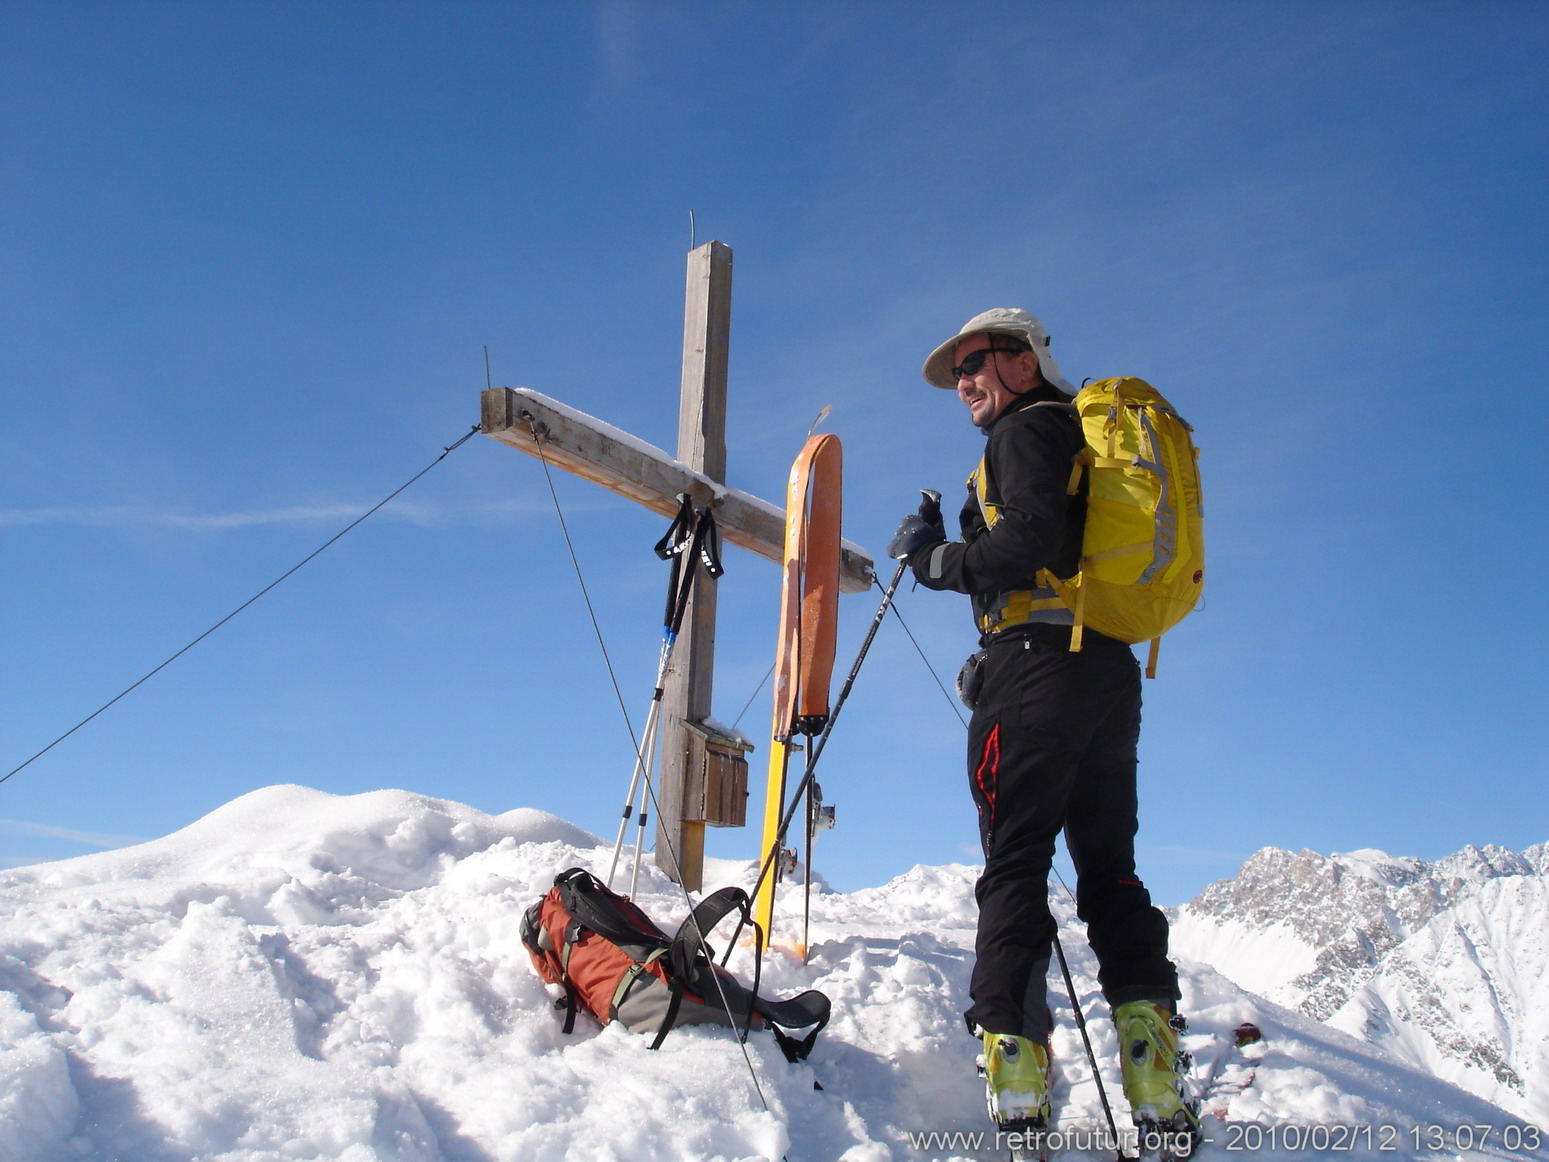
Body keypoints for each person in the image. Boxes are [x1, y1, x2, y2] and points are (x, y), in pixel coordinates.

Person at [886, 308, 1194, 1143]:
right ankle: (1154, 1075)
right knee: (1111, 875)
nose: (962, 383)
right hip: (1104, 672)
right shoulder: (1076, 441)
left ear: (1023, 362)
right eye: (956, 372)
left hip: (1032, 674)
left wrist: (930, 559)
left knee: (1015, 865)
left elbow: (1028, 540)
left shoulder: (1025, 430)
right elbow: (1051, 542)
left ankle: (1017, 1073)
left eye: (974, 363)